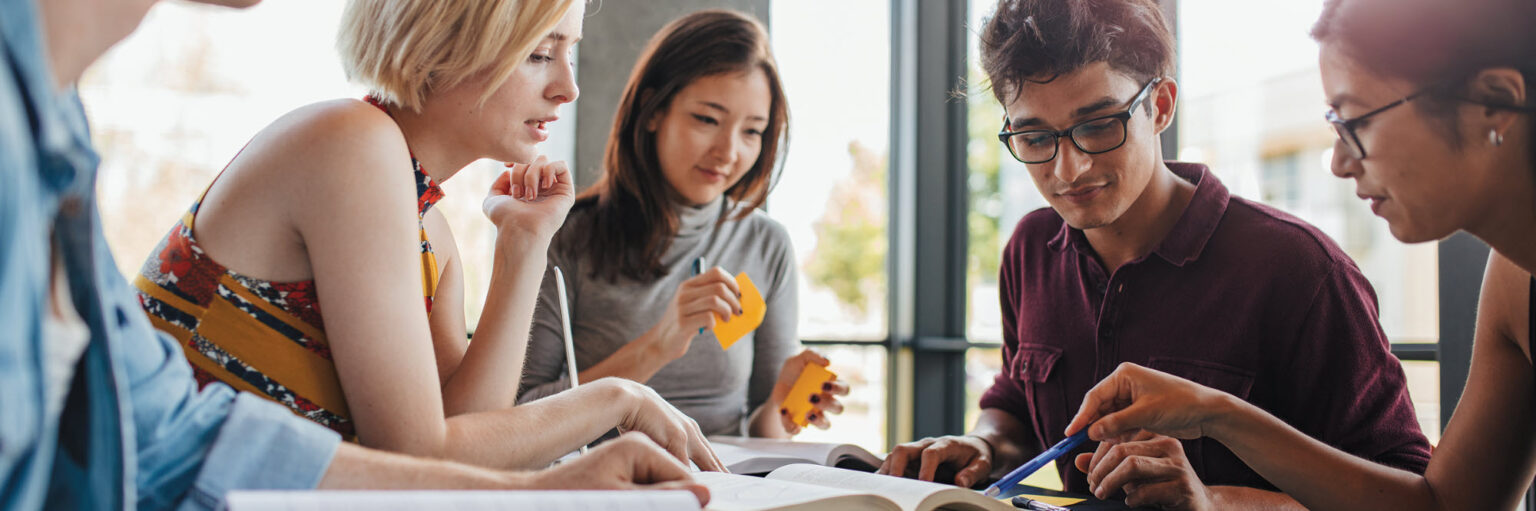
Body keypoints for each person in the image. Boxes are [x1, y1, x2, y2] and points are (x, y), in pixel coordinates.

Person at [0, 0, 708, 508]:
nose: (569, 86)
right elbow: (416, 453)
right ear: (444, 42)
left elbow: (464, 429)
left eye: (570, 51)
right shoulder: (352, 145)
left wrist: (523, 245)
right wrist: (617, 397)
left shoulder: (427, 224)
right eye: (538, 52)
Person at [877, 0, 1431, 508]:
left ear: (1160, 105)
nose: (1068, 171)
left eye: (1097, 126)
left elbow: (1404, 492)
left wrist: (1214, 502)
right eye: (1035, 138)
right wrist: (984, 444)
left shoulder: (1300, 269)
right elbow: (1016, 404)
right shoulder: (1030, 249)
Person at [1067, 0, 1536, 509]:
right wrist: (1215, 413)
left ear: (1493, 102)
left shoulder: (1304, 264)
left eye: (1357, 120)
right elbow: (1445, 504)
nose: (1337, 162)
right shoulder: (1514, 279)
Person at [518, 9, 849, 438]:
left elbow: (766, 439)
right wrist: (658, 345)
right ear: (653, 111)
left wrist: (780, 407)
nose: (728, 151)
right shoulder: (567, 235)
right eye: (707, 120)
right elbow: (517, 415)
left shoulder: (766, 243)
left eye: (752, 131)